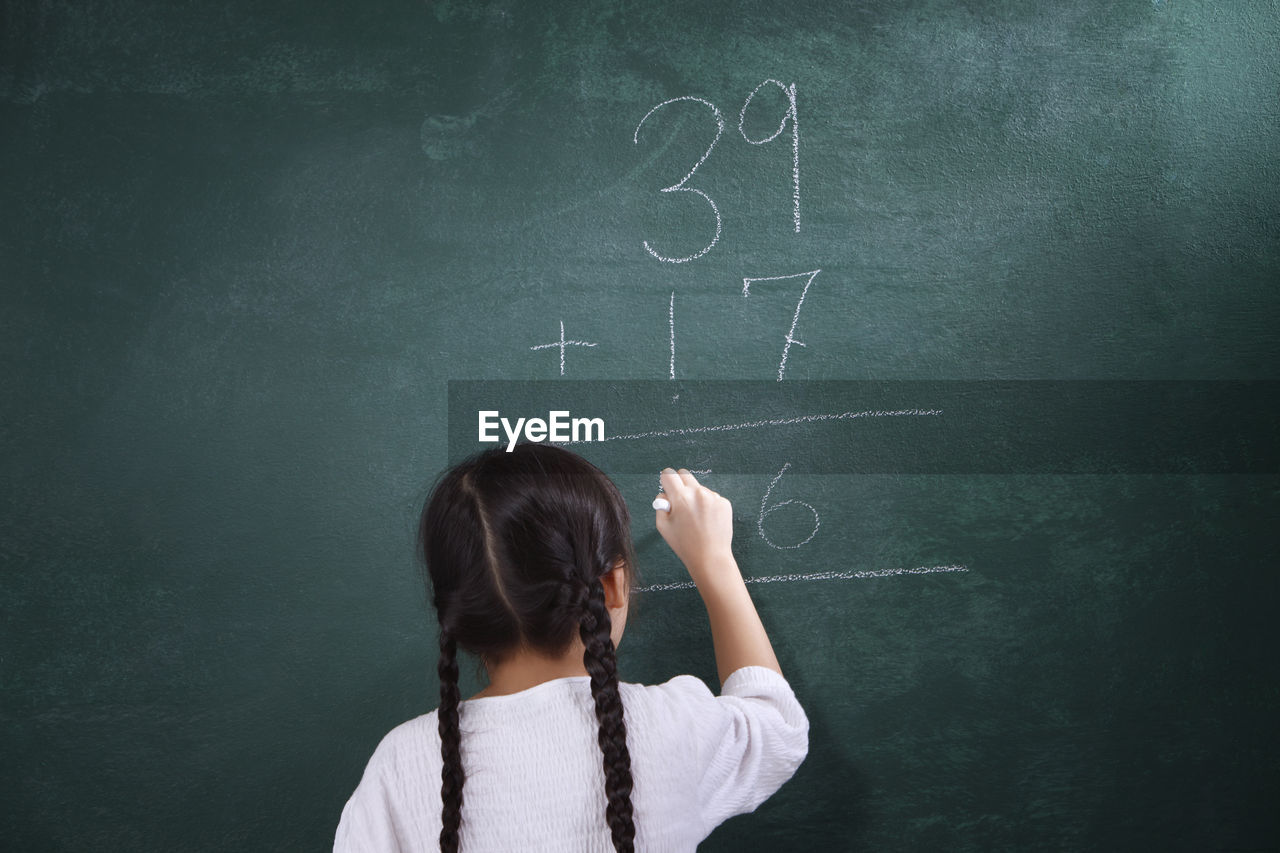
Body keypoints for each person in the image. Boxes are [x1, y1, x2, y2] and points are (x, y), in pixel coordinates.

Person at [334, 443, 808, 852]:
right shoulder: (669, 725)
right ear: (611, 586)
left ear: (456, 614)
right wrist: (714, 562)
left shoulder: (403, 763)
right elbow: (776, 725)